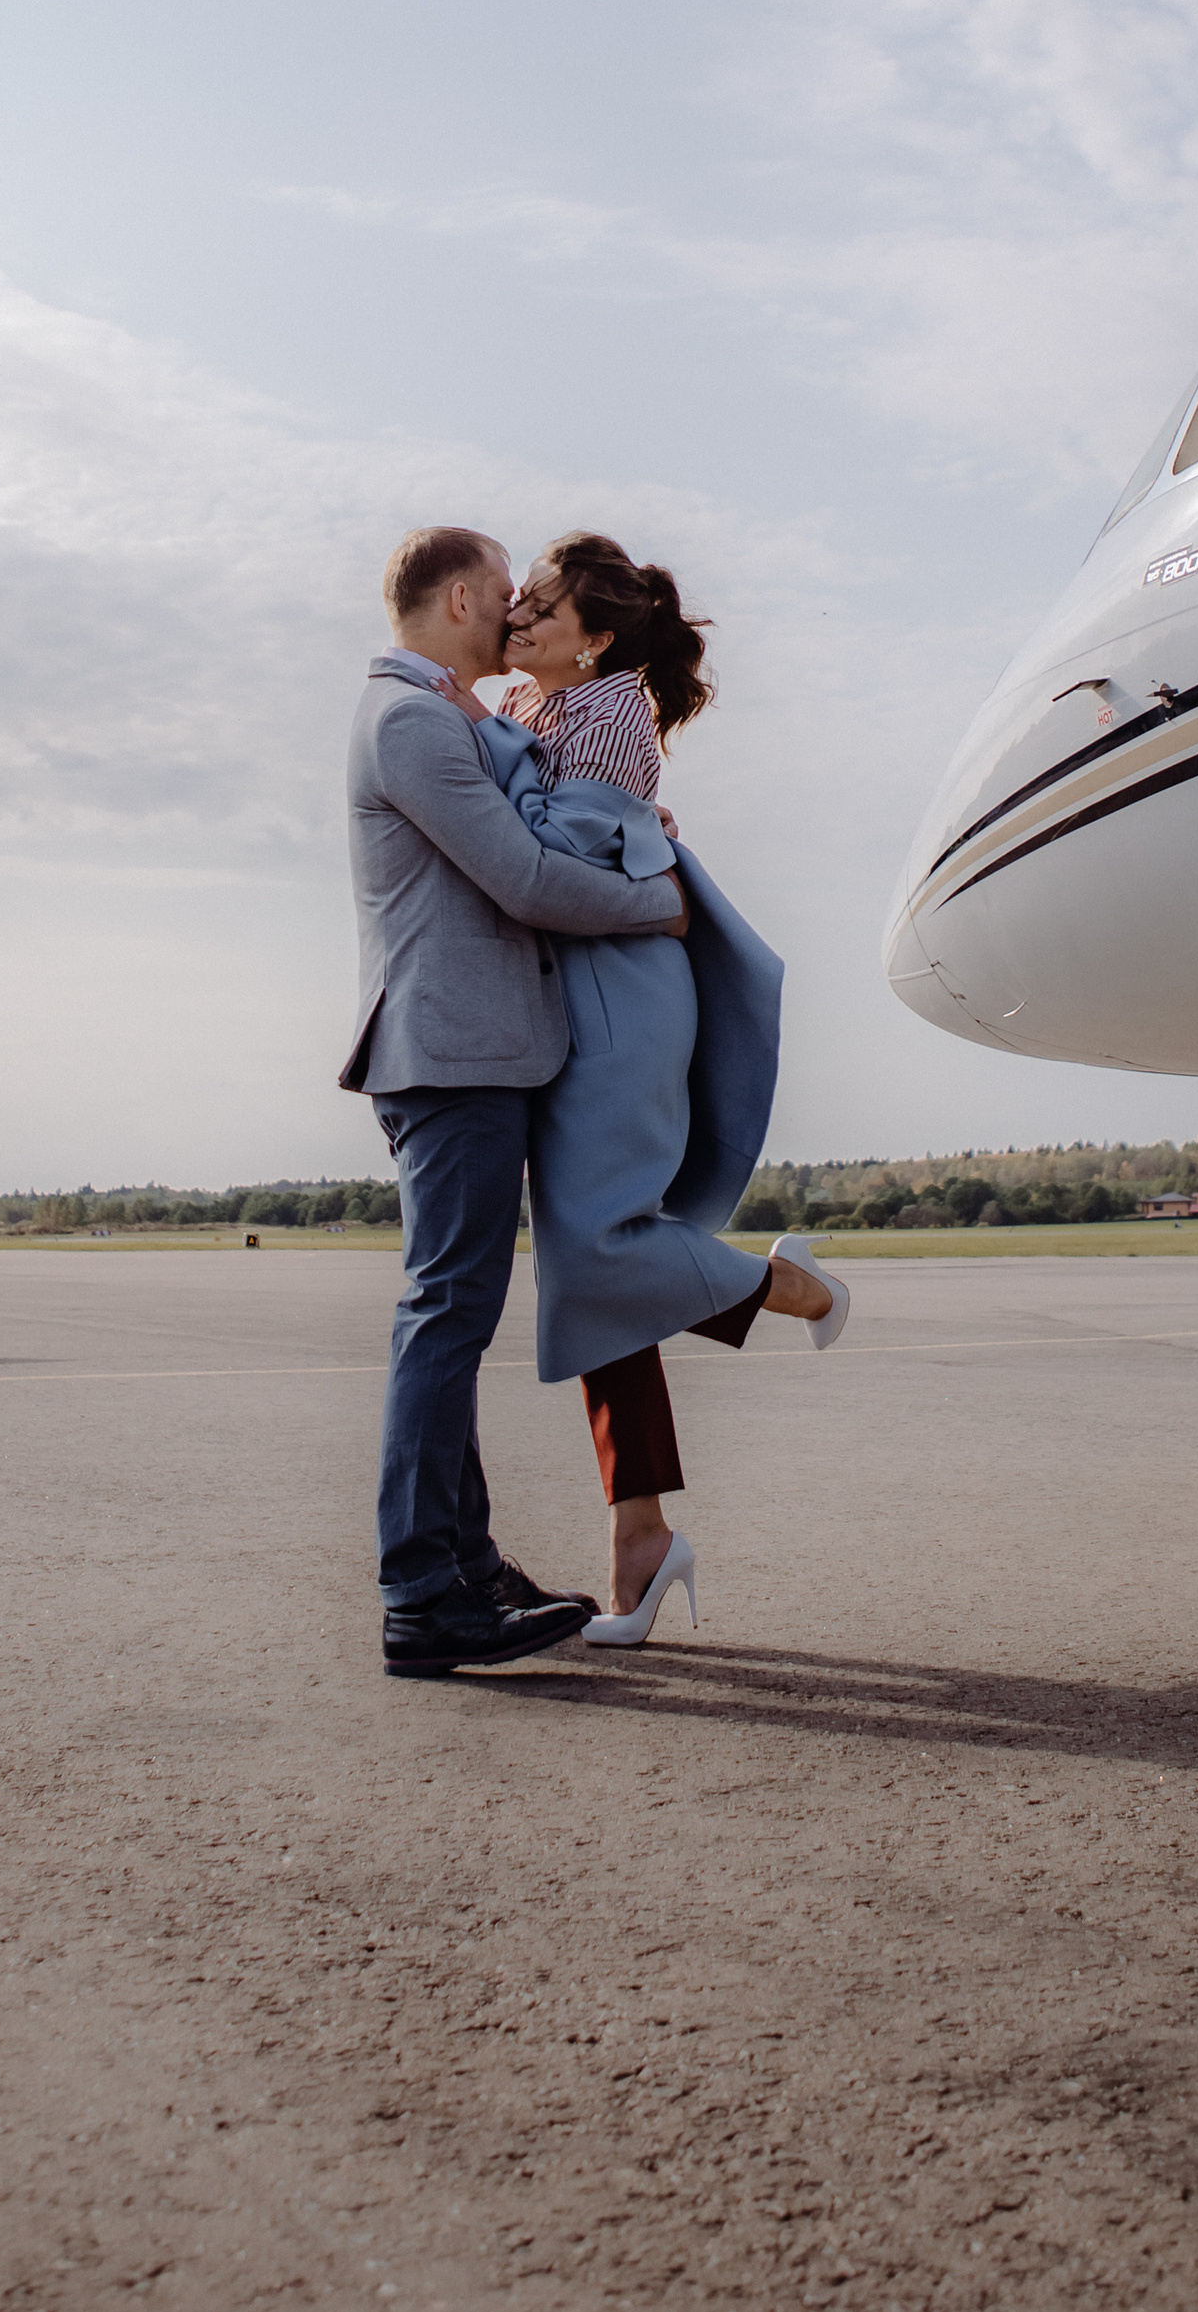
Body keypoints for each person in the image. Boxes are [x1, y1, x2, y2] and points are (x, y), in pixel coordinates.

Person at [447, 533, 845, 1645]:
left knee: (600, 1245)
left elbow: (543, 861)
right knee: (590, 1272)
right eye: (521, 602)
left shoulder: (611, 709)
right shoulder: (531, 701)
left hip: (624, 992)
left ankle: (791, 1290)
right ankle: (642, 1535)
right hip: (575, 991)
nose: (519, 619)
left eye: (542, 607)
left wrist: (470, 748)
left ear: (597, 637)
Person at [343, 525, 697, 1680]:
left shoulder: (450, 716)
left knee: (451, 1313)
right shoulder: (410, 722)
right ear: (459, 599)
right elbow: (529, 880)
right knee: (445, 1315)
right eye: (503, 593)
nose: (513, 612)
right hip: (454, 1056)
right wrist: (661, 904)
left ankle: (466, 1566)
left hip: (476, 1053)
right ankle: (419, 1594)